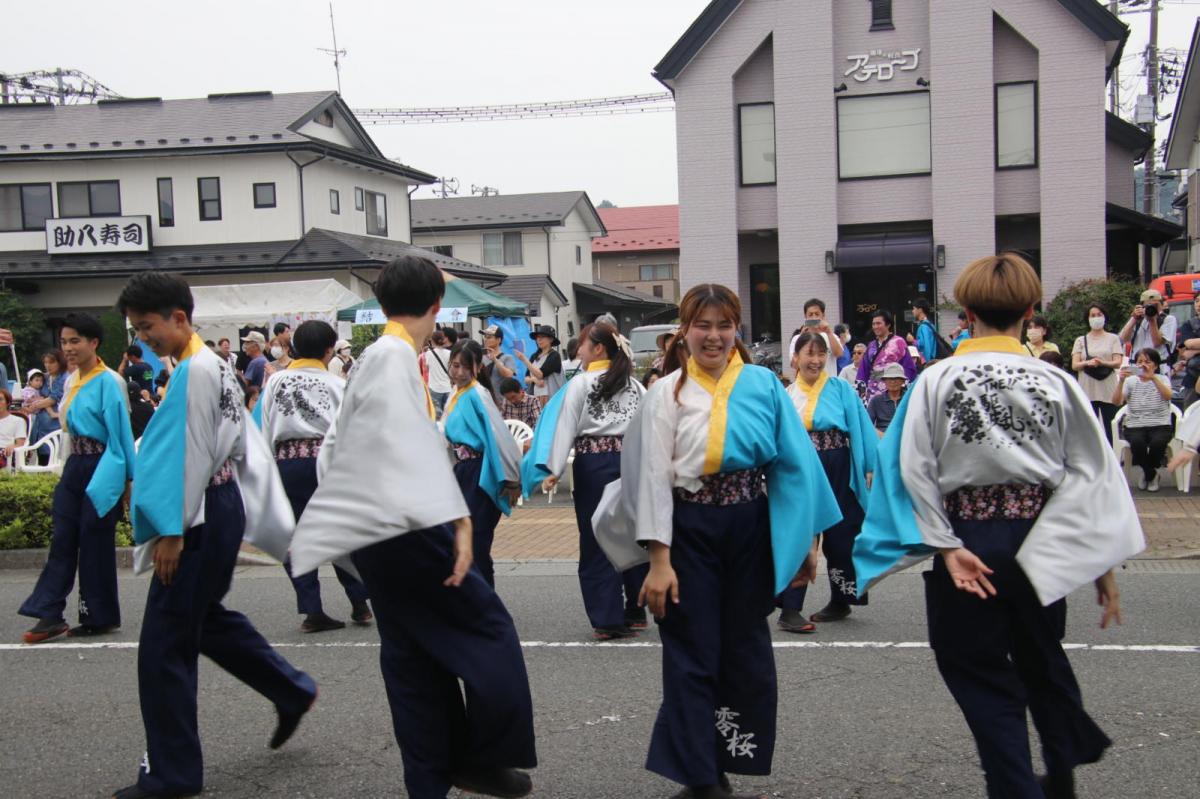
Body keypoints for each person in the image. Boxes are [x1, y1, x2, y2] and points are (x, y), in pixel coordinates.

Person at [854, 253, 1141, 799]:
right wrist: (1100, 562)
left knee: (980, 674)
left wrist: (945, 546)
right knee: (1040, 657)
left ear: (964, 313)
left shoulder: (937, 379)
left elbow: (911, 466)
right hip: (1043, 537)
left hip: (968, 537)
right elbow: (1094, 471)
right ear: (1031, 311)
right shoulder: (1055, 380)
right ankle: (1060, 772)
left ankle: (1015, 786)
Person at [288, 256, 536, 799]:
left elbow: (336, 450)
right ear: (434, 308)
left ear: (380, 304)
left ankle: (433, 778)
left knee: (414, 660)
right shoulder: (394, 356)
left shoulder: (381, 356)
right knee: (488, 632)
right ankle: (484, 757)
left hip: (379, 529)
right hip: (407, 528)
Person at [594, 284, 840, 799]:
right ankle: (702, 776)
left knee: (746, 647)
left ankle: (726, 759)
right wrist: (659, 561)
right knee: (690, 649)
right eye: (702, 325)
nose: (713, 335)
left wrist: (805, 544)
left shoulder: (763, 384)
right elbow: (651, 476)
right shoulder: (665, 392)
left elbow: (794, 468)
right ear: (684, 331)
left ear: (737, 330)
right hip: (688, 531)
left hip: (750, 526)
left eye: (723, 325)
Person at [115, 272, 316, 799]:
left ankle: (174, 773)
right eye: (137, 330)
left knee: (164, 645)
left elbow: (189, 451)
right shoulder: (209, 365)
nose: (143, 338)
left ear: (179, 317)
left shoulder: (196, 371)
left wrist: (172, 529)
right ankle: (290, 688)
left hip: (198, 511)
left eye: (147, 326)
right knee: (201, 619)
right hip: (218, 504)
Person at [522, 321, 650, 639]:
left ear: (598, 349)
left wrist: (554, 469)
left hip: (593, 464)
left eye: (582, 344)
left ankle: (607, 617)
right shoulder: (634, 385)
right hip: (631, 463)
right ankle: (635, 609)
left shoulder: (581, 383)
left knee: (596, 538)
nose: (578, 350)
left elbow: (565, 425)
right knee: (633, 533)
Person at [18, 313, 135, 644]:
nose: (67, 348)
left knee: (95, 541)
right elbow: (67, 430)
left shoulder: (111, 381)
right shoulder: (70, 381)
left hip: (103, 465)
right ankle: (49, 613)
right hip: (74, 466)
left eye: (75, 341)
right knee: (64, 537)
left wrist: (127, 480)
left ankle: (99, 617)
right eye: (64, 341)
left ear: (93, 343)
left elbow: (121, 434)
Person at [259, 319, 372, 632]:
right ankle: (360, 603)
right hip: (328, 463)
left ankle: (312, 610)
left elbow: (266, 428)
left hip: (287, 464)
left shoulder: (277, 382)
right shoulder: (337, 384)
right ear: (327, 350)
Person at [776, 331, 878, 633]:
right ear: (795, 358)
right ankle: (790, 608)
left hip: (838, 463)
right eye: (809, 353)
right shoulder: (786, 394)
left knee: (842, 533)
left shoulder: (840, 389)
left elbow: (861, 426)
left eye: (821, 354)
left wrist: (869, 466)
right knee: (801, 533)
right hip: (802, 467)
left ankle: (842, 598)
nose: (816, 360)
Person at [443, 340, 523, 588]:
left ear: (477, 367)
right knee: (459, 538)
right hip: (462, 471)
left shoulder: (477, 394)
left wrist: (512, 479)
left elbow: (500, 436)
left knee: (476, 541)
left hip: (478, 472)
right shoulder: (456, 394)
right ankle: (472, 601)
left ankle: (485, 602)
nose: (458, 372)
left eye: (464, 366)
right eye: (454, 365)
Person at [1113, 348, 1174, 492]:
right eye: (1140, 362)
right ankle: (1151, 474)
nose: (1143, 365)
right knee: (1137, 443)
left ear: (1156, 365)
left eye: (1148, 362)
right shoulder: (1130, 381)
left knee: (1157, 444)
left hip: (1160, 424)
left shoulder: (1163, 379)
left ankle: (1147, 473)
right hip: (1135, 424)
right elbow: (1116, 402)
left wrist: (1152, 378)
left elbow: (1168, 396)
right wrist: (1121, 381)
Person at [1072, 304, 1124, 444]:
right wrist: (1087, 363)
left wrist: (1102, 362)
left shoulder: (1113, 338)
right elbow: (1075, 365)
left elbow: (1118, 362)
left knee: (1111, 427)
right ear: (1087, 319)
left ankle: (1113, 457)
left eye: (1099, 314)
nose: (1096, 318)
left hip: (1108, 386)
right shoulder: (1080, 340)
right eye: (1092, 315)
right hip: (1087, 386)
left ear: (1105, 317)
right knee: (1089, 427)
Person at [857, 310, 917, 402]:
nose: (875, 327)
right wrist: (861, 389)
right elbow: (863, 369)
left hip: (894, 390)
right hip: (872, 390)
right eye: (873, 324)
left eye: (878, 323)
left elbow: (908, 367)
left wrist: (903, 388)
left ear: (888, 325)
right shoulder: (871, 345)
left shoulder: (899, 342)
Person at [1119, 289, 1176, 370]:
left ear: (1161, 305)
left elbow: (1157, 342)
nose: (1152, 308)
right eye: (1148, 305)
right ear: (1142, 306)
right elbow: (1123, 339)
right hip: (1136, 366)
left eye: (1155, 305)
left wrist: (1152, 320)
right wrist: (1134, 318)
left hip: (1158, 368)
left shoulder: (1168, 319)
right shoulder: (1138, 319)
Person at [28, 350, 68, 463]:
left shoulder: (64, 378)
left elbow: (53, 399)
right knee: (42, 459)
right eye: (45, 362)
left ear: (60, 362)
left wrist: (35, 404)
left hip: (56, 425)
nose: (47, 365)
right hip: (41, 426)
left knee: (55, 458)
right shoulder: (44, 377)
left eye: (51, 362)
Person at [787, 298, 844, 376]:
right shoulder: (797, 338)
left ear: (823, 316)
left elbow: (839, 354)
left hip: (828, 384)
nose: (814, 317)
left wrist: (829, 332)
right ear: (805, 316)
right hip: (806, 385)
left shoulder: (831, 336)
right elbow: (794, 365)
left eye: (817, 314)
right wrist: (802, 338)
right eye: (810, 315)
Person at [516, 324, 564, 404]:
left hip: (552, 397)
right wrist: (534, 379)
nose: (539, 340)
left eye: (542, 337)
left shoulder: (554, 355)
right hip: (536, 397)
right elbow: (526, 379)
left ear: (551, 339)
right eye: (537, 337)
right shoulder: (534, 356)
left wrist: (524, 359)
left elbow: (540, 374)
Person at [867, 363, 907, 434]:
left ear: (903, 381)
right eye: (889, 379)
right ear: (884, 381)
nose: (893, 382)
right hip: (882, 437)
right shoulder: (876, 400)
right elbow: (867, 423)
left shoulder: (908, 399)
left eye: (896, 378)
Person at [481, 324, 517, 398]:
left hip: (500, 400)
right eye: (485, 337)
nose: (486, 339)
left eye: (489, 337)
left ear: (498, 340)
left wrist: (495, 360)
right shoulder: (481, 358)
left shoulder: (507, 357)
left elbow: (509, 375)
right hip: (483, 399)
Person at [423, 330, 453, 415]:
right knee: (448, 414)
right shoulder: (449, 353)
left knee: (436, 416)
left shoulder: (428, 354)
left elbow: (427, 368)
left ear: (432, 341)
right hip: (447, 387)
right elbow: (451, 369)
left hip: (434, 387)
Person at [0, 388, 28, 470]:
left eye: (0, 400)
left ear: (8, 403)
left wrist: (13, 446)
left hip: (6, 452)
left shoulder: (18, 421)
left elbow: (20, 444)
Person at [908, 298, 939, 364]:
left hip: (928, 363)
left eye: (914, 308)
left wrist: (912, 340)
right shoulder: (930, 324)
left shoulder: (924, 326)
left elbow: (926, 346)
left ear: (920, 310)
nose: (912, 311)